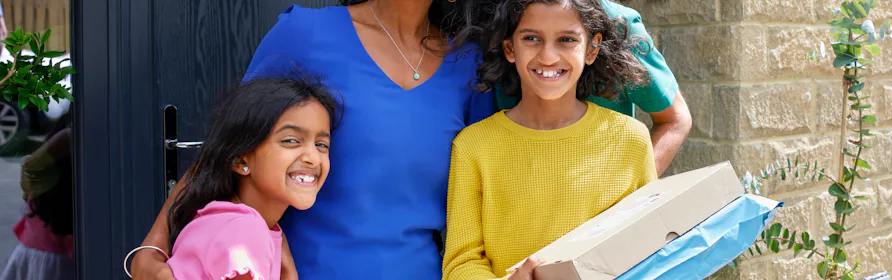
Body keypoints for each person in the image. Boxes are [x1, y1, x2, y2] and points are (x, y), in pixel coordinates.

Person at [132, 0, 688, 278]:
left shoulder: (470, 64)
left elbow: (502, 185)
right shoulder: (305, 32)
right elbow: (229, 151)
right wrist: (151, 254)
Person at [442, 0, 656, 278]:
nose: (548, 56)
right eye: (531, 38)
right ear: (509, 48)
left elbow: (649, 249)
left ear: (592, 48)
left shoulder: (631, 140)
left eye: (566, 39)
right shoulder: (474, 146)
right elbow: (460, 264)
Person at [129, 76, 337, 280]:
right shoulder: (244, 232)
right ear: (240, 160)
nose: (312, 158)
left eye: (321, 144)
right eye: (291, 140)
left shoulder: (231, 222)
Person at [1, 108, 73, 280]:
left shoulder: (43, 184)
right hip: (55, 267)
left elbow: (31, 166)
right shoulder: (48, 182)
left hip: (33, 260)